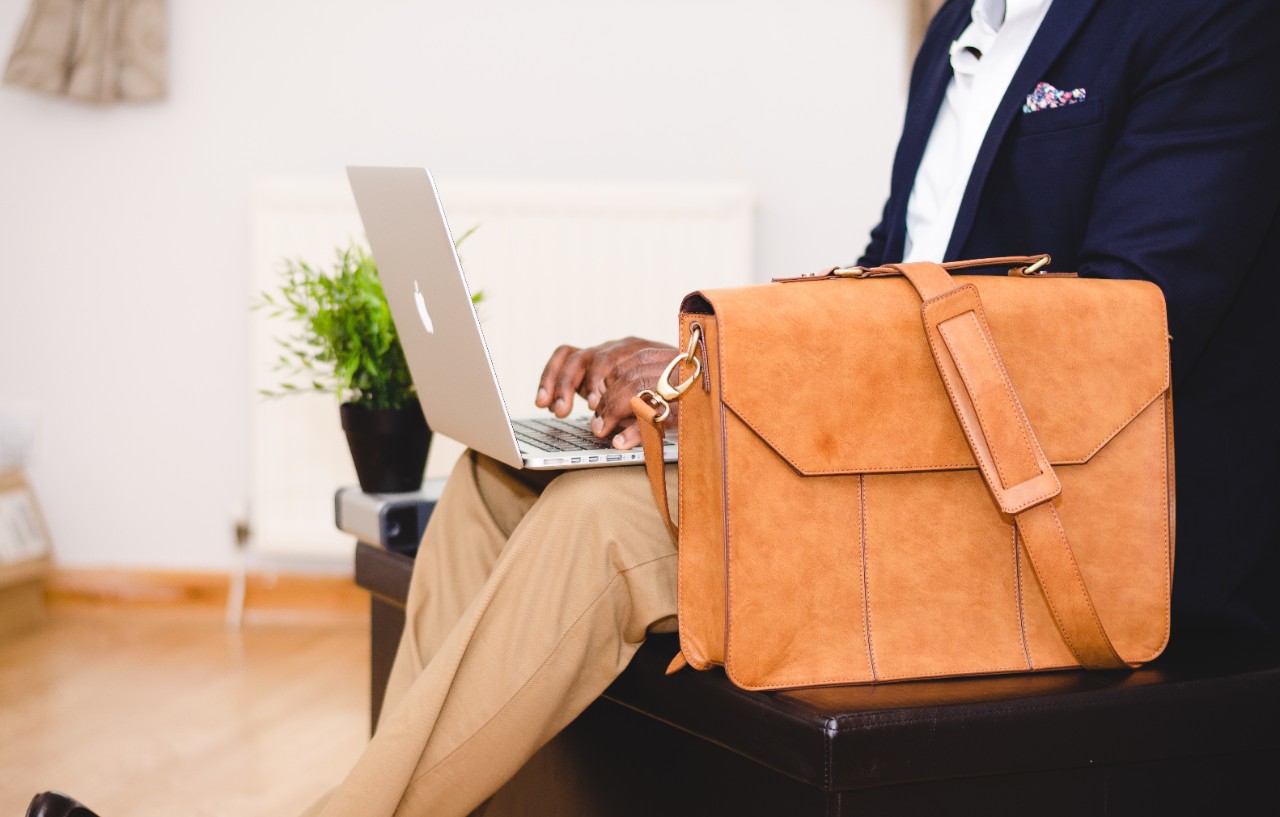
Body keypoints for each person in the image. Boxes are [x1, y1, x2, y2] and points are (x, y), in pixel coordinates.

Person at [27, 0, 1280, 815]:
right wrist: (697, 372)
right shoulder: (959, 26)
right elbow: (885, 276)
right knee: (499, 482)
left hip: (1068, 527)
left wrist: (737, 382)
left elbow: (1113, 330)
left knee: (606, 529)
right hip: (914, 480)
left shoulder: (1206, 22)